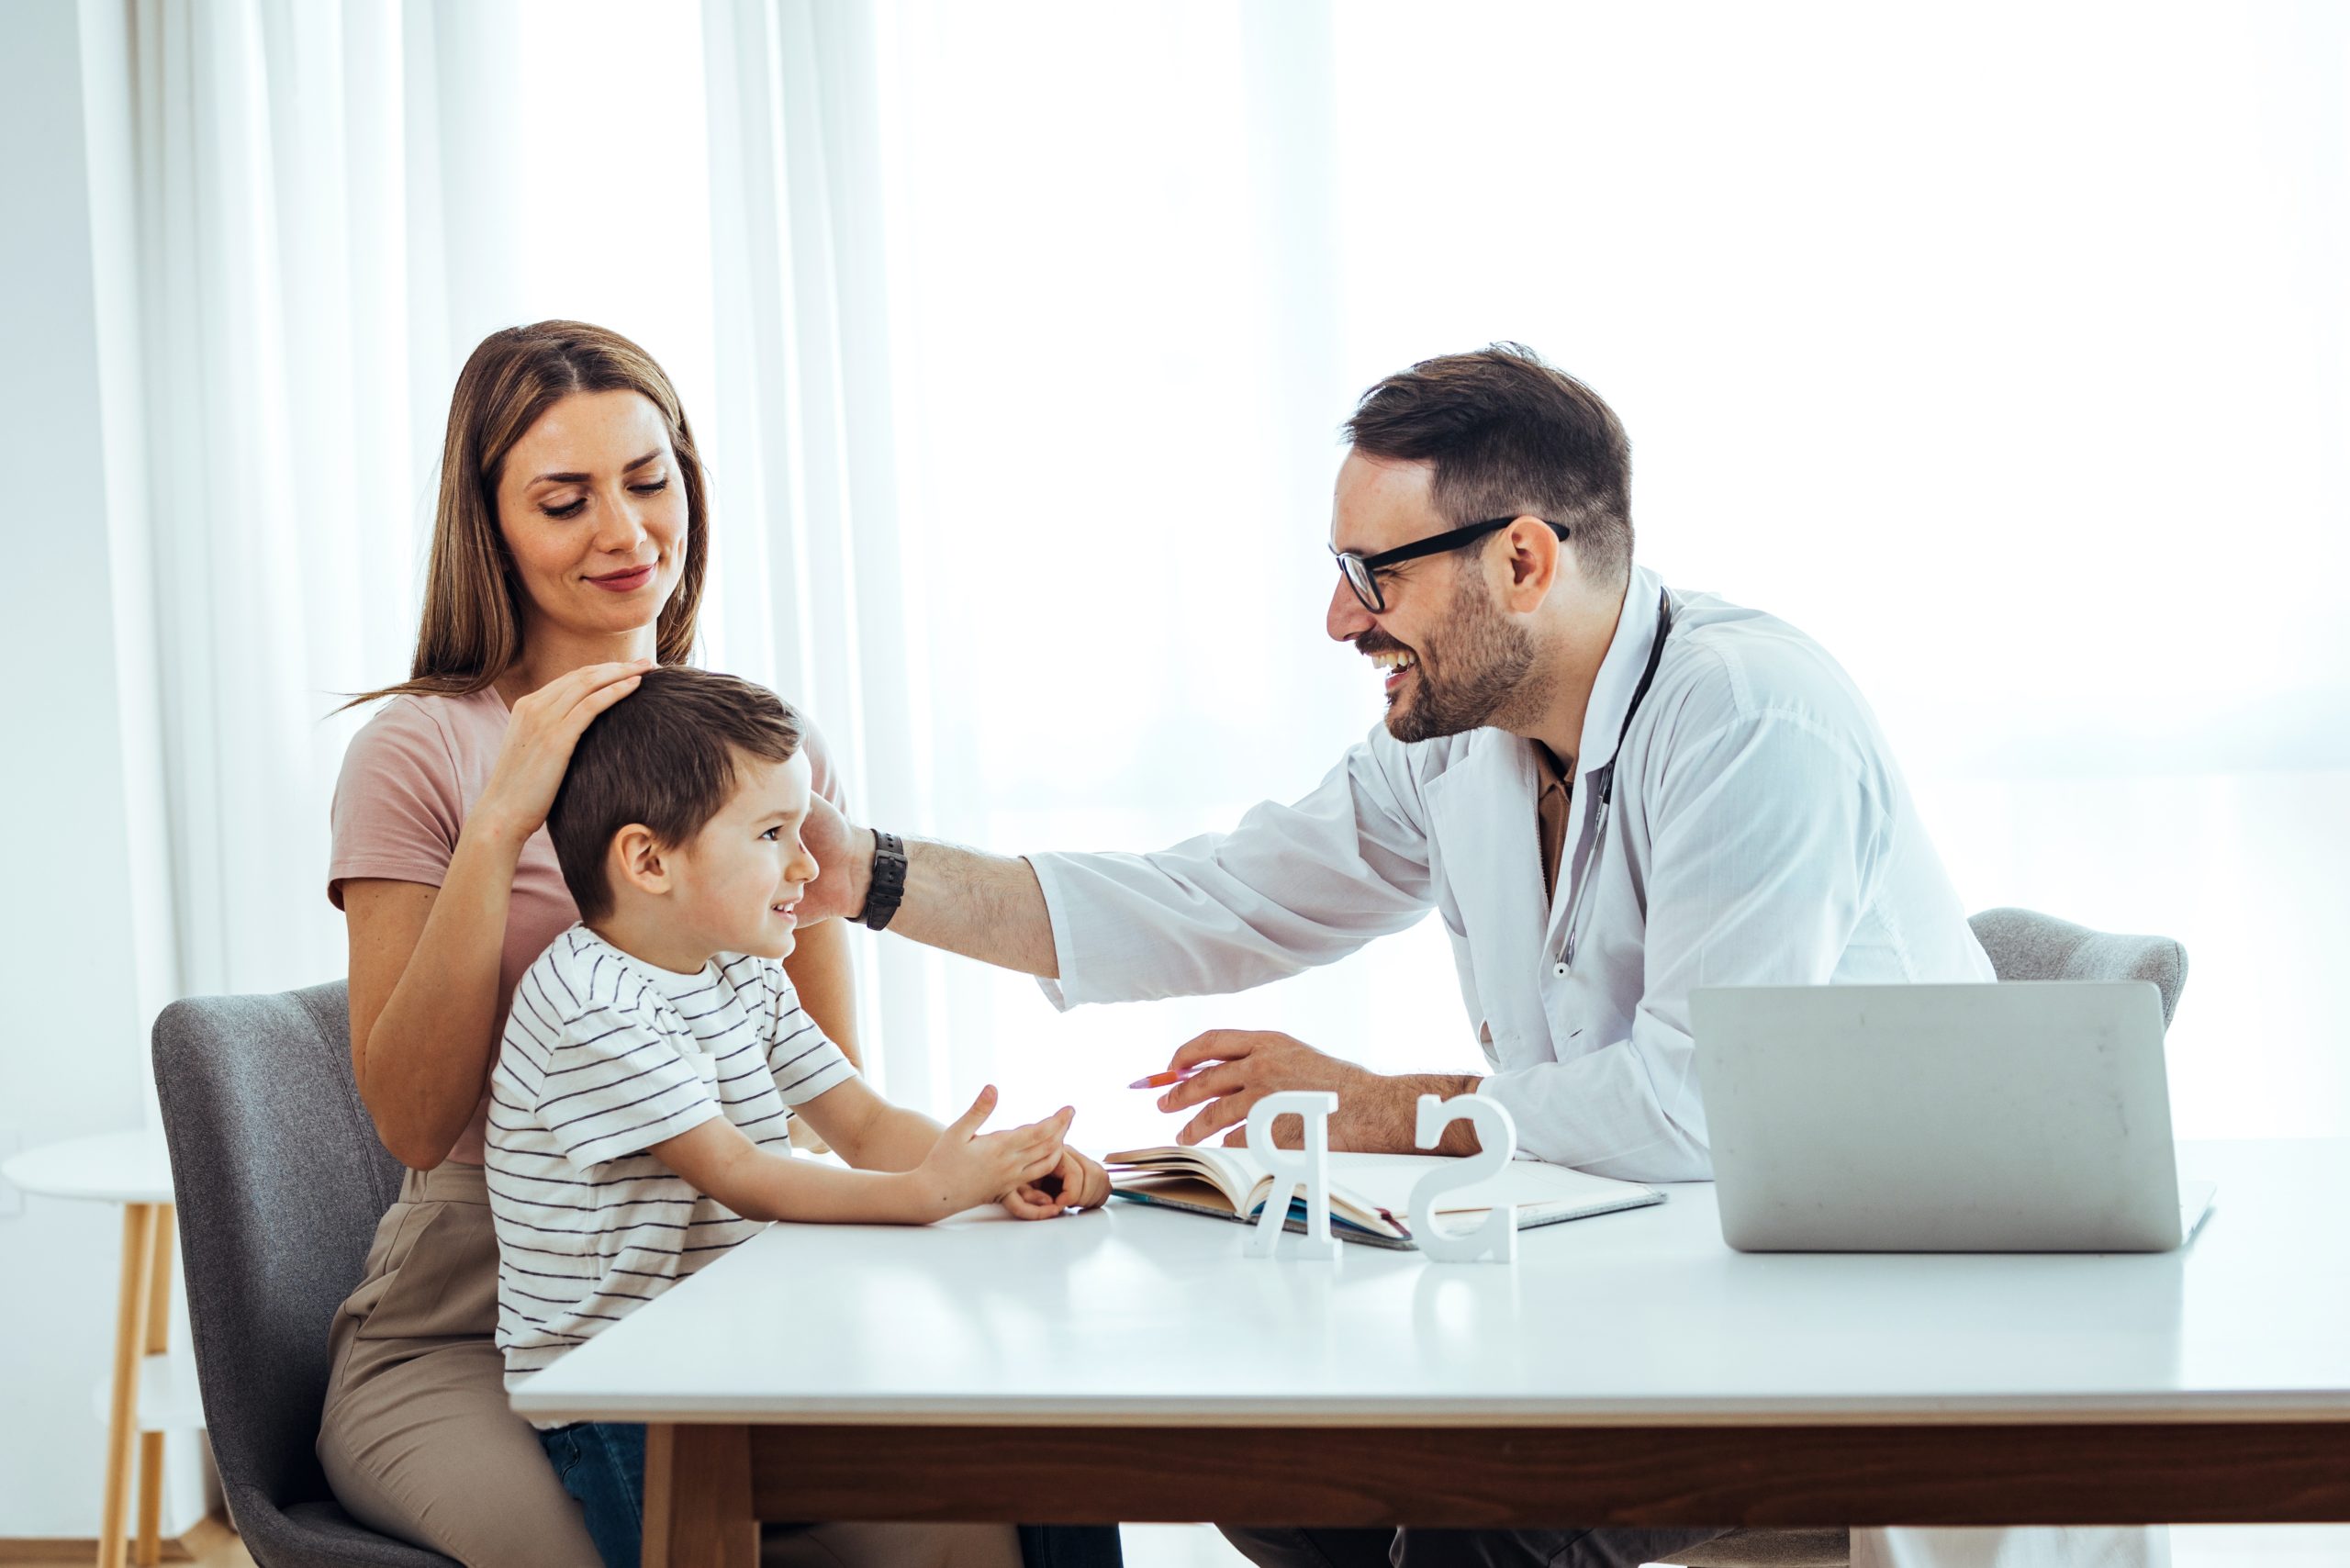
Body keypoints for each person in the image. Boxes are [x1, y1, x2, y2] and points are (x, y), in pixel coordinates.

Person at [796, 345, 2160, 1568]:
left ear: (1521, 560)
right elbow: (1213, 898)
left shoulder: (1751, 721)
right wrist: (868, 876)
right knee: (1281, 1483)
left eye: (1371, 577)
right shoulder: (1460, 742)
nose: (1341, 623)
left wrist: (1390, 1107)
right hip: (1647, 1280)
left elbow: (1696, 1107)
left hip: (1846, 1318)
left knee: (1475, 1520)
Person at [321, 320, 1124, 1568]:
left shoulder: (766, 752)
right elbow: (416, 1124)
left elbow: (821, 1108)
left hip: (719, 1294)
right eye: (564, 499)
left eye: (650, 481)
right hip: (473, 1320)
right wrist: (503, 820)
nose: (626, 533)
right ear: (491, 522)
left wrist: (979, 1174)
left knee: (988, 1525)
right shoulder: (420, 752)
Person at [492, 666, 1107, 1568]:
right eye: (774, 833)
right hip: (620, 1384)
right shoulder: (591, 1006)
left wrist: (998, 1164)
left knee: (1043, 1435)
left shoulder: (738, 965)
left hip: (743, 1341)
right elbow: (741, 1176)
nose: (809, 866)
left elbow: (859, 1120)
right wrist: (929, 1194)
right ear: (649, 860)